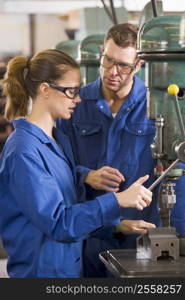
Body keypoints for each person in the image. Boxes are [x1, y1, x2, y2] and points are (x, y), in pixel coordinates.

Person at [0, 49, 153, 278]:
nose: (79, 99)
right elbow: (59, 222)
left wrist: (115, 227)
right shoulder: (24, 151)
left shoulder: (56, 142)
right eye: (71, 91)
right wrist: (117, 200)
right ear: (45, 90)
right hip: (41, 274)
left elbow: (70, 209)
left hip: (66, 269)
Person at [57, 23, 185, 277]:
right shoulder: (75, 104)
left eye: (123, 66)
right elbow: (55, 166)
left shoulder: (156, 106)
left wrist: (175, 234)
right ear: (103, 52)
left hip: (140, 233)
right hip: (88, 233)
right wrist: (86, 175)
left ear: (139, 65)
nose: (113, 72)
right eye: (108, 60)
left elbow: (177, 168)